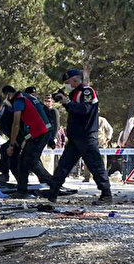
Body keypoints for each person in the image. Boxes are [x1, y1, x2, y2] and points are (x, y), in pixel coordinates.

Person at [45, 69, 112, 204]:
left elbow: (85, 109)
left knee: (95, 166)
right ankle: (52, 193)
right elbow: (74, 110)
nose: (66, 85)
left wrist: (67, 102)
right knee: (63, 165)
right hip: (75, 138)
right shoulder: (74, 93)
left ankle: (106, 194)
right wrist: (64, 101)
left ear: (75, 80)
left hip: (86, 136)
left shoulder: (87, 91)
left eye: (67, 82)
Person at [5, 87, 54, 195]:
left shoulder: (19, 100)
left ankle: (54, 184)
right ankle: (21, 191)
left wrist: (12, 144)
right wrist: (27, 139)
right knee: (23, 162)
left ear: (8, 94)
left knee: (32, 161)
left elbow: (16, 123)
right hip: (38, 133)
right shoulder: (27, 97)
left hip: (40, 133)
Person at [116, 106, 134, 182]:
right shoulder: (133, 120)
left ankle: (132, 179)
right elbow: (127, 131)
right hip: (130, 146)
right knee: (130, 162)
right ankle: (129, 179)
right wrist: (124, 141)